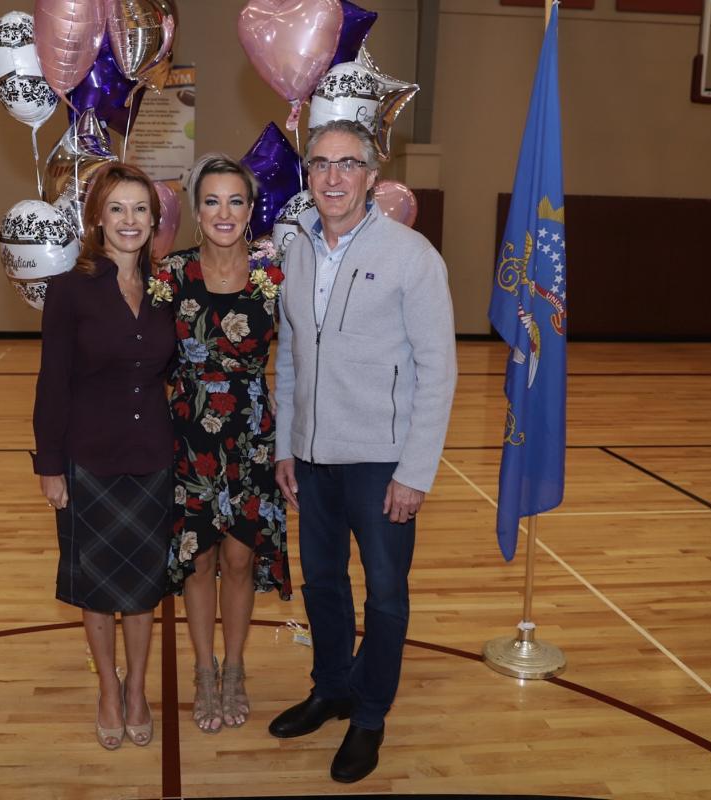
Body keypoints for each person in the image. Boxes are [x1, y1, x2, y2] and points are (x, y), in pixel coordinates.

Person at [269, 120, 457, 782]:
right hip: (313, 462)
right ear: (309, 176)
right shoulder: (296, 253)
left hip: (383, 464)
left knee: (384, 595)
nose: (332, 177)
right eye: (320, 164)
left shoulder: (413, 256)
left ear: (373, 177)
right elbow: (291, 356)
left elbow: (439, 369)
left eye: (348, 164)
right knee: (321, 582)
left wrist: (416, 472)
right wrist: (287, 444)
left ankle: (371, 714)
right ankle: (332, 688)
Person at [32, 163, 175, 751]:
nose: (130, 220)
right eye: (117, 208)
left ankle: (138, 690)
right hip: (89, 460)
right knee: (97, 589)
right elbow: (52, 384)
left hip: (153, 461)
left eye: (141, 209)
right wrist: (50, 467)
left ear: (154, 219)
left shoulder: (169, 288)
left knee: (141, 590)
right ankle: (108, 693)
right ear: (96, 216)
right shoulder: (70, 290)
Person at [161, 153, 292, 734]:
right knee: (200, 557)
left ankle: (236, 667)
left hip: (250, 433)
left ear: (250, 209)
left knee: (240, 557)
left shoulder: (272, 273)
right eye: (211, 200)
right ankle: (204, 670)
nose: (223, 212)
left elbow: (296, 362)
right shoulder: (170, 275)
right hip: (187, 432)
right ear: (196, 210)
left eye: (235, 200)